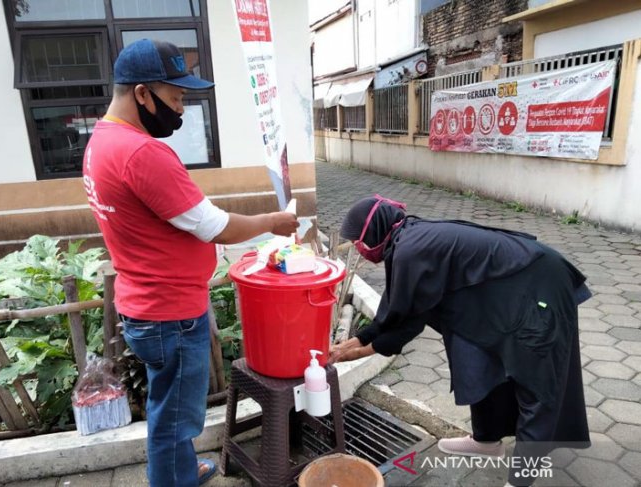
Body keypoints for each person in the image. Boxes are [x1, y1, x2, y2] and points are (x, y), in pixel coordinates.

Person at [82, 39, 298, 487]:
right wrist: (274, 221)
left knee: (170, 407)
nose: (181, 110)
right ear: (142, 93)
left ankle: (180, 471)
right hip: (171, 314)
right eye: (176, 97)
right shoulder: (142, 153)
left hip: (145, 305)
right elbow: (212, 225)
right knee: (175, 418)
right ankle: (172, 479)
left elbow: (175, 215)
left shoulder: (102, 142)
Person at [329, 195, 591, 487]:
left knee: (536, 386)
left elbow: (403, 317)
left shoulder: (410, 249)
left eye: (357, 241)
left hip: (540, 287)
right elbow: (408, 309)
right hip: (502, 297)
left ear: (374, 230)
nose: (358, 248)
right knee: (483, 363)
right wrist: (360, 341)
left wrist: (366, 347)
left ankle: (521, 481)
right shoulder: (406, 239)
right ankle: (486, 441)